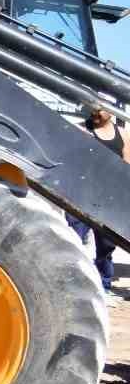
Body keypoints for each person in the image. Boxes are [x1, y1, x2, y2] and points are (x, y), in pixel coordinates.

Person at [66, 107, 126, 292]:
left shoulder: (122, 134)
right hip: (81, 195)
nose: (96, 112)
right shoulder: (82, 129)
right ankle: (71, 283)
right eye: (93, 108)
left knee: (106, 245)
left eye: (100, 109)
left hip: (109, 197)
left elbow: (127, 167)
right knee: (74, 240)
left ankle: (104, 283)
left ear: (111, 111)